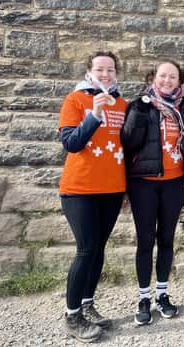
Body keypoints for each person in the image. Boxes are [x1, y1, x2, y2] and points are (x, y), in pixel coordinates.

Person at [121, 61, 184, 325]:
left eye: (173, 77)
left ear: (180, 80)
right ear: (154, 78)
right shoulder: (140, 105)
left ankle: (162, 294)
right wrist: (139, 111)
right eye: (163, 76)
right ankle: (144, 297)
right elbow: (129, 141)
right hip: (144, 183)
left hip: (174, 183)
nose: (167, 80)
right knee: (146, 241)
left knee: (166, 239)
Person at [58, 51, 126, 343]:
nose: (106, 74)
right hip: (80, 189)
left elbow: (127, 146)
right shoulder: (75, 100)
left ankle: (87, 304)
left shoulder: (122, 103)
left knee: (98, 249)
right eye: (100, 69)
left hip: (111, 189)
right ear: (89, 71)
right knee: (86, 250)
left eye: (110, 69)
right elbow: (71, 143)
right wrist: (95, 115)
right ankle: (72, 316)